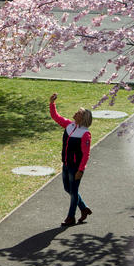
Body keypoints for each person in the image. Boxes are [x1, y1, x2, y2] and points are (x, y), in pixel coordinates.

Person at [49, 93, 93, 227]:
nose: (75, 113)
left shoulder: (85, 134)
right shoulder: (69, 125)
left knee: (73, 192)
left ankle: (70, 217)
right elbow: (56, 117)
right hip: (66, 164)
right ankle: (84, 208)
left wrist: (81, 170)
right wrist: (52, 103)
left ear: (83, 118)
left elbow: (86, 154)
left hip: (76, 167)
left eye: (78, 113)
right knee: (67, 188)